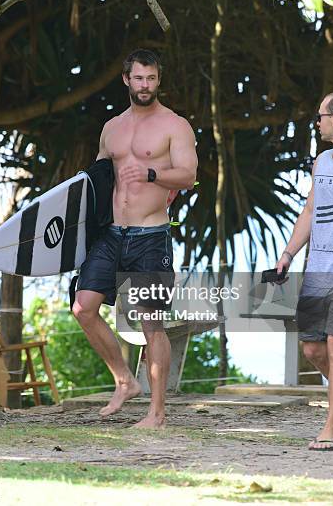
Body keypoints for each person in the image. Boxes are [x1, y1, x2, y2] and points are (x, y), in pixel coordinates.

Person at [72, 49, 198, 428]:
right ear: (127, 80)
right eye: (139, 78)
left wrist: (150, 175)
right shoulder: (112, 128)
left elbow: (188, 176)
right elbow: (98, 178)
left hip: (150, 235)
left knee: (151, 323)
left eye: (152, 78)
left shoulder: (175, 125)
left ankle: (157, 413)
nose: (145, 85)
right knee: (83, 308)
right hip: (111, 234)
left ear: (159, 80)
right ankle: (125, 381)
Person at [276, 91, 333, 451]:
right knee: (313, 349)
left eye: (320, 115)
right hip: (318, 269)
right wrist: (287, 254)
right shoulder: (322, 162)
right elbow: (310, 212)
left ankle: (330, 428)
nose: (316, 122)